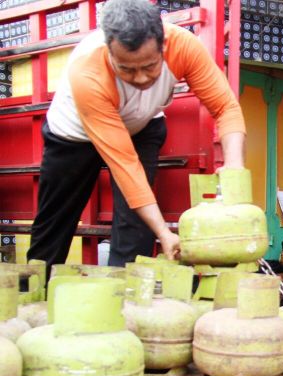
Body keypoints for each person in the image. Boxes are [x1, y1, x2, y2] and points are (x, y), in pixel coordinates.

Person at [28, 0, 245, 271]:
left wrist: (235, 166)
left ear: (163, 45)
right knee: (54, 224)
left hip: (142, 126)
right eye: (127, 69)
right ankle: (33, 290)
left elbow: (225, 107)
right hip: (72, 134)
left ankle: (127, 298)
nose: (141, 78)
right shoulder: (87, 71)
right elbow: (126, 167)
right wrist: (165, 234)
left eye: (150, 66)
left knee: (136, 225)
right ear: (109, 52)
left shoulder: (183, 46)